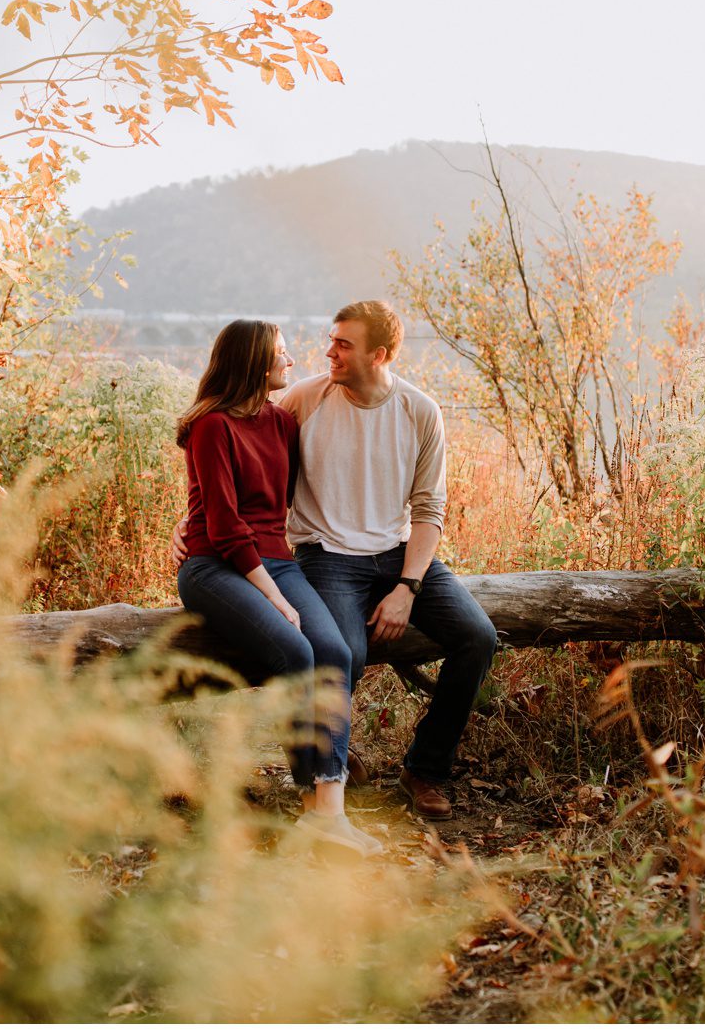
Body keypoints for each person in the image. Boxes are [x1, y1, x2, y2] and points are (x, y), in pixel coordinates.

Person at [175, 301, 499, 821]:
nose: (328, 352)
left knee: (478, 636)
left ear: (381, 354)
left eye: (343, 344)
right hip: (326, 556)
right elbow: (231, 474)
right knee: (341, 650)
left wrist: (407, 587)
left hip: (399, 556)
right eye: (331, 340)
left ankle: (426, 768)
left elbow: (429, 510)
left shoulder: (420, 411)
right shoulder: (304, 399)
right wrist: (190, 524)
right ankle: (327, 764)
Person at [174, 319, 381, 857]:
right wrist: (275, 596)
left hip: (276, 561)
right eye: (282, 355)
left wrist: (283, 581)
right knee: (294, 651)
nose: (292, 362)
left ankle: (326, 813)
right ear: (255, 364)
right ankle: (314, 799)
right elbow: (223, 527)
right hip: (214, 566)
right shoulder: (211, 426)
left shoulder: (280, 423)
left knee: (332, 651)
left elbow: (279, 510)